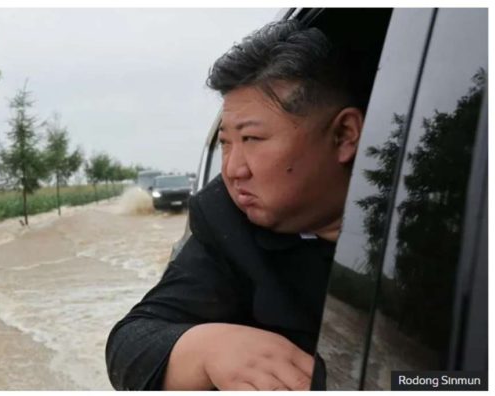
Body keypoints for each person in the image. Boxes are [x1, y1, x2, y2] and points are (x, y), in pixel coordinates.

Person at [106, 19, 372, 391]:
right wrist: (204, 349)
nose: (232, 170)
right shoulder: (227, 224)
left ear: (344, 136)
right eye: (227, 143)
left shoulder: (449, 219)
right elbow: (131, 344)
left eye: (252, 138)